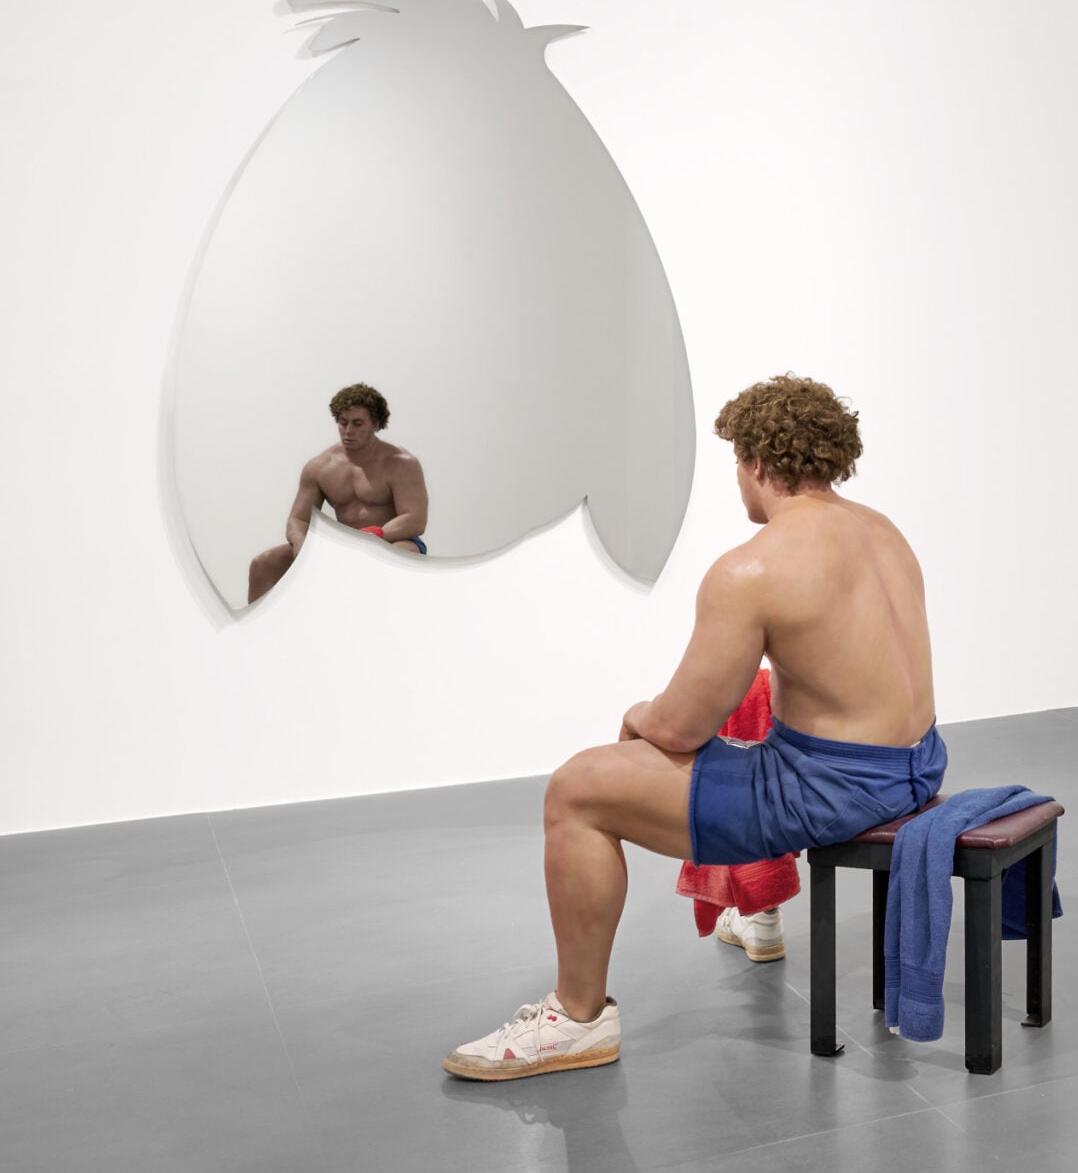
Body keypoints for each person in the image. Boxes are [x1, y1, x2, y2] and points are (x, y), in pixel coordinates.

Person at [444, 373, 941, 1081]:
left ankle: (576, 1020)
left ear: (757, 462)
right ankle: (755, 910)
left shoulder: (752, 568)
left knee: (576, 788)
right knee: (760, 695)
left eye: (736, 461)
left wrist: (637, 716)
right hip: (917, 764)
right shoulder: (883, 531)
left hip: (834, 791)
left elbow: (680, 726)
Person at [246, 382, 429, 604]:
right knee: (263, 564)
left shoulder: (401, 464)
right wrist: (303, 547)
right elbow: (297, 520)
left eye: (357, 424)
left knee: (396, 557)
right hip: (343, 545)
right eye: (343, 423)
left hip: (392, 540)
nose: (348, 431)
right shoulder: (320, 466)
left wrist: (372, 535)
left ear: (376, 424)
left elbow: (415, 520)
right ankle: (260, 627)